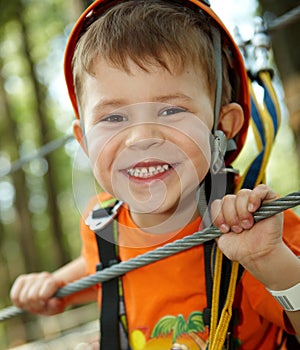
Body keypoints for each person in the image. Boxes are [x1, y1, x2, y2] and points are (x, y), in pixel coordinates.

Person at [10, 1, 300, 349]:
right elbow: (103, 262)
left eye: (171, 110)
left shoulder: (256, 225)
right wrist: (55, 287)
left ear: (222, 126)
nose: (142, 137)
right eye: (113, 118)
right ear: (84, 143)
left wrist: (268, 261)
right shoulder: (103, 225)